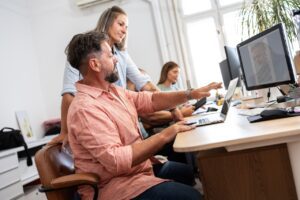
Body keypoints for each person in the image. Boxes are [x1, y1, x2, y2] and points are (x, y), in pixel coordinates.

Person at [65, 31, 221, 200]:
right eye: (110, 56)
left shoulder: (113, 91)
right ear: (95, 65)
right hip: (115, 186)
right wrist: (166, 135)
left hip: (136, 171)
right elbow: (117, 161)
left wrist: (191, 94)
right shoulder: (85, 109)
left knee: (188, 174)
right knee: (191, 197)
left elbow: (151, 100)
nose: (116, 59)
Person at [50, 6, 169, 145]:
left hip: (125, 122)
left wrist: (173, 106)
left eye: (127, 27)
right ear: (107, 22)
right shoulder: (84, 50)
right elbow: (69, 94)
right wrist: (65, 131)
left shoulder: (121, 54)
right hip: (103, 123)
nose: (124, 30)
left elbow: (145, 84)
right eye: (120, 24)